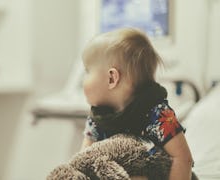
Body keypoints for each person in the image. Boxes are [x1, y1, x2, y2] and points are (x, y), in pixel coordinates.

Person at [80, 28, 194, 180]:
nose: (83, 80)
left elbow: (183, 159)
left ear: (111, 78)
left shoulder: (157, 113)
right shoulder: (98, 117)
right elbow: (83, 162)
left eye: (87, 71)